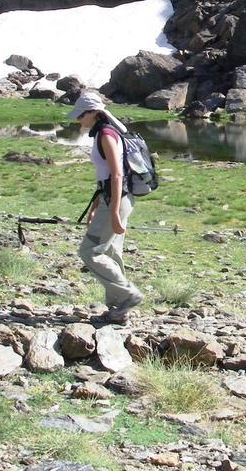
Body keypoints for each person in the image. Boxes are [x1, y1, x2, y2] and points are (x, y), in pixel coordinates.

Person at [68, 92, 143, 324]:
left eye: (81, 115)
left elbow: (117, 173)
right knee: (111, 252)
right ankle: (118, 311)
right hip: (116, 198)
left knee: (89, 252)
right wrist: (95, 206)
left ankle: (128, 295)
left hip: (116, 200)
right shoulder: (106, 132)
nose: (78, 119)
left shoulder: (106, 135)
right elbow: (105, 176)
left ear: (93, 113)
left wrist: (112, 213)